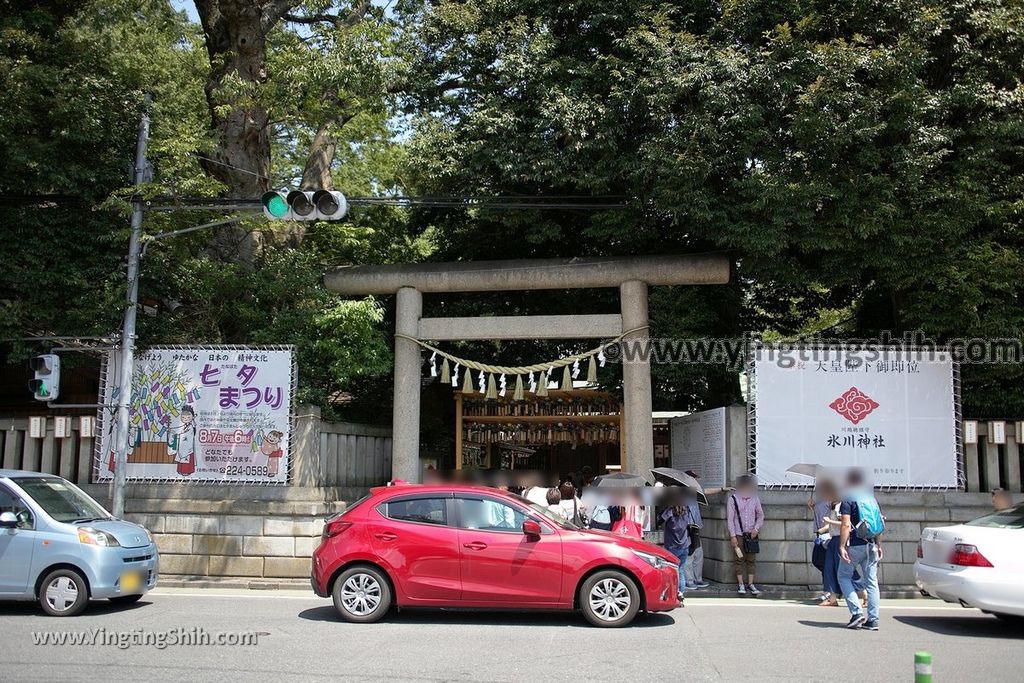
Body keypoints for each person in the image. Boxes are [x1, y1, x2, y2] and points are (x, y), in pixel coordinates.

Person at [837, 469, 883, 630]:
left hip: (855, 545)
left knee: (843, 576)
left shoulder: (848, 500)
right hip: (871, 545)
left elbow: (846, 524)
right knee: (872, 583)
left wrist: (842, 546)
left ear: (849, 482)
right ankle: (873, 620)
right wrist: (879, 544)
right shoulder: (871, 499)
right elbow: (879, 522)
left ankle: (857, 613)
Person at [727, 474, 764, 595]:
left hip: (752, 535)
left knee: (751, 560)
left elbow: (761, 515)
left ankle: (751, 584)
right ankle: (741, 584)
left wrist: (756, 529)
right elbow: (730, 519)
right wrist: (733, 536)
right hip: (738, 534)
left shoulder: (755, 498)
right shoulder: (733, 499)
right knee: (739, 559)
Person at [682, 472, 709, 590]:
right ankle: (689, 580)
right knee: (689, 554)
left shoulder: (695, 493)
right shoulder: (680, 494)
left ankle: (698, 579)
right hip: (686, 528)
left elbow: (706, 492)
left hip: (696, 527)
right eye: (694, 479)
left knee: (699, 553)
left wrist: (723, 489)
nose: (696, 481)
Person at [660, 504, 691, 603]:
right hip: (684, 546)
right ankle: (680, 594)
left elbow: (659, 521)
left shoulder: (669, 511)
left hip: (671, 547)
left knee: (669, 571)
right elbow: (689, 526)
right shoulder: (686, 511)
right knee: (680, 570)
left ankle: (670, 594)